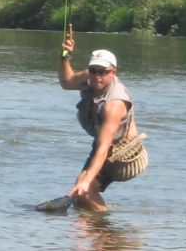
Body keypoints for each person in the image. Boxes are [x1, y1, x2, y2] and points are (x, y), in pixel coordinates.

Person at [58, 32, 140, 211]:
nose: (97, 76)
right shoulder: (91, 78)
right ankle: (90, 225)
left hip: (123, 152)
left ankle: (105, 224)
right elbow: (66, 82)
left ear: (113, 72)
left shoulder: (114, 104)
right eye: (93, 70)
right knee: (80, 194)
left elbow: (104, 147)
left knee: (85, 189)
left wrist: (87, 180)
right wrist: (65, 55)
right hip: (103, 145)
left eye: (102, 72)